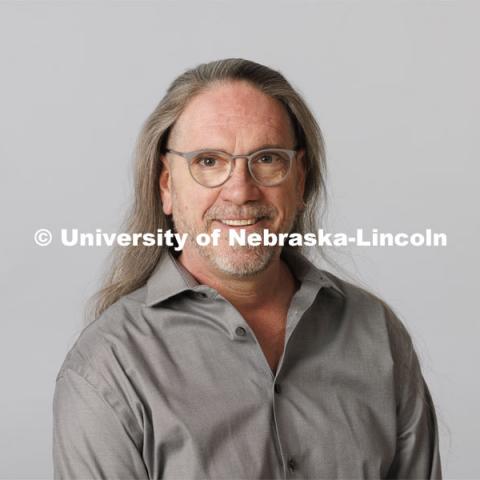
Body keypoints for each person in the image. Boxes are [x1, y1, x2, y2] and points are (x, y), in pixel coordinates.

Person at [52, 58, 442, 479]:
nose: (240, 191)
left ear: (300, 180)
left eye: (268, 158)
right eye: (208, 162)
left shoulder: (375, 334)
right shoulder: (106, 368)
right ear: (166, 185)